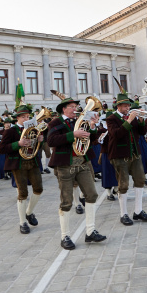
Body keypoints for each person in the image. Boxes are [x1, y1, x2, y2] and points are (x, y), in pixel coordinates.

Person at [47, 91, 106, 250]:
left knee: (92, 194)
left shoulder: (80, 121)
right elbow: (51, 140)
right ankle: (65, 236)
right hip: (65, 165)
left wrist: (92, 126)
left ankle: (90, 231)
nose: (75, 109)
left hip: (83, 162)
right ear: (64, 109)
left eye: (76, 106)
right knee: (66, 201)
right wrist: (73, 134)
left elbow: (91, 141)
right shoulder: (55, 122)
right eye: (72, 107)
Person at [105, 91, 147, 226]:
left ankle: (138, 211)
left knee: (140, 180)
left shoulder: (132, 116)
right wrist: (130, 120)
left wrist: (141, 120)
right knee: (123, 184)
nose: (128, 108)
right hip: (119, 156)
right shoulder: (111, 118)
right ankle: (123, 213)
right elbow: (116, 134)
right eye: (125, 106)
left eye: (128, 105)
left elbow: (141, 132)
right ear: (118, 107)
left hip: (135, 154)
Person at [0, 105, 44, 234]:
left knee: (38, 189)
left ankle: (29, 212)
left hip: (32, 161)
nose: (26, 119)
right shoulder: (11, 131)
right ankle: (22, 222)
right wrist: (18, 144)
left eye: (28, 117)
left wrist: (40, 140)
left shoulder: (33, 129)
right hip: (18, 164)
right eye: (23, 117)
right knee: (23, 193)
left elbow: (35, 146)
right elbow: (2, 149)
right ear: (17, 118)